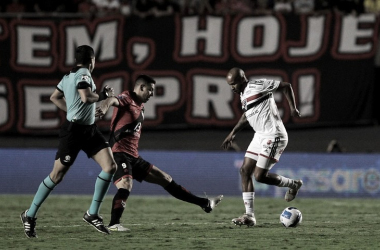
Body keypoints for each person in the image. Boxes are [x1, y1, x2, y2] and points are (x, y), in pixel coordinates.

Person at [95, 74, 223, 232]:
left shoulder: (140, 105)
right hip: (118, 153)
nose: (152, 94)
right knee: (126, 184)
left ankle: (205, 204)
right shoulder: (126, 98)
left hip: (133, 156)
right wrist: (104, 106)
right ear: (141, 87)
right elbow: (112, 100)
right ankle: (114, 224)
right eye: (150, 90)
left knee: (166, 179)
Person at [20, 45, 117, 238]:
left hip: (89, 130)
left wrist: (71, 110)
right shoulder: (84, 75)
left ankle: (92, 214)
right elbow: (86, 96)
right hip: (73, 133)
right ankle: (29, 215)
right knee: (57, 176)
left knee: (110, 166)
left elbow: (54, 97)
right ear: (92, 60)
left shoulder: (68, 77)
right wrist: (104, 96)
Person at [221, 68, 303, 227]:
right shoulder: (243, 95)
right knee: (245, 171)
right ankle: (249, 216)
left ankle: (294, 184)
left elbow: (286, 86)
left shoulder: (258, 85)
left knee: (259, 176)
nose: (232, 88)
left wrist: (293, 108)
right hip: (260, 135)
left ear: (243, 79)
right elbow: (246, 116)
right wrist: (232, 133)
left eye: (234, 84)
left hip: (274, 135)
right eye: (230, 85)